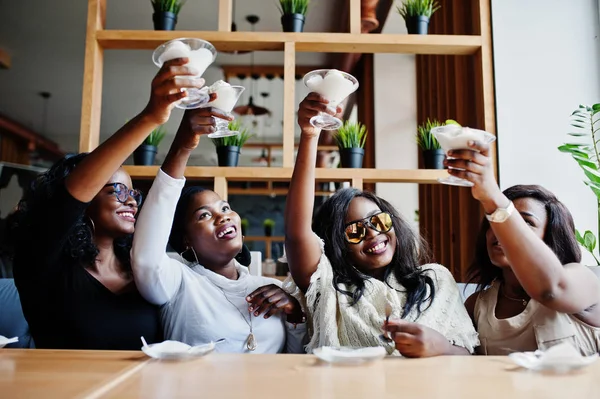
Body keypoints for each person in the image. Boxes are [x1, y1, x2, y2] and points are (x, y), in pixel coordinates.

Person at [11, 57, 202, 349]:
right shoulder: (44, 262)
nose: (132, 202)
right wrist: (151, 116)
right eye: (116, 190)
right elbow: (68, 198)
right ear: (84, 202)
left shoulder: (141, 269)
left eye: (133, 193)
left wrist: (185, 142)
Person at [282, 93, 479, 357]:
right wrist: (309, 135)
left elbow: (468, 355)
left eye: (378, 220)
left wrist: (439, 347)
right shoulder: (328, 286)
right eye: (355, 231)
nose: (373, 233)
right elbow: (297, 234)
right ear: (337, 246)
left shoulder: (435, 280)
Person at [131, 108, 306, 353]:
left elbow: (294, 362)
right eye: (204, 215)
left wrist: (295, 315)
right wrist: (183, 146)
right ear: (186, 240)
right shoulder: (179, 282)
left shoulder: (269, 287)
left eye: (225, 207)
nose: (222, 216)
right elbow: (146, 258)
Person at [447, 139, 600, 355]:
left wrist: (492, 195)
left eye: (526, 222)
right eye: (493, 222)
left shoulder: (583, 280)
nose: (501, 232)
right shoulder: (477, 305)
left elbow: (551, 290)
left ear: (550, 237)